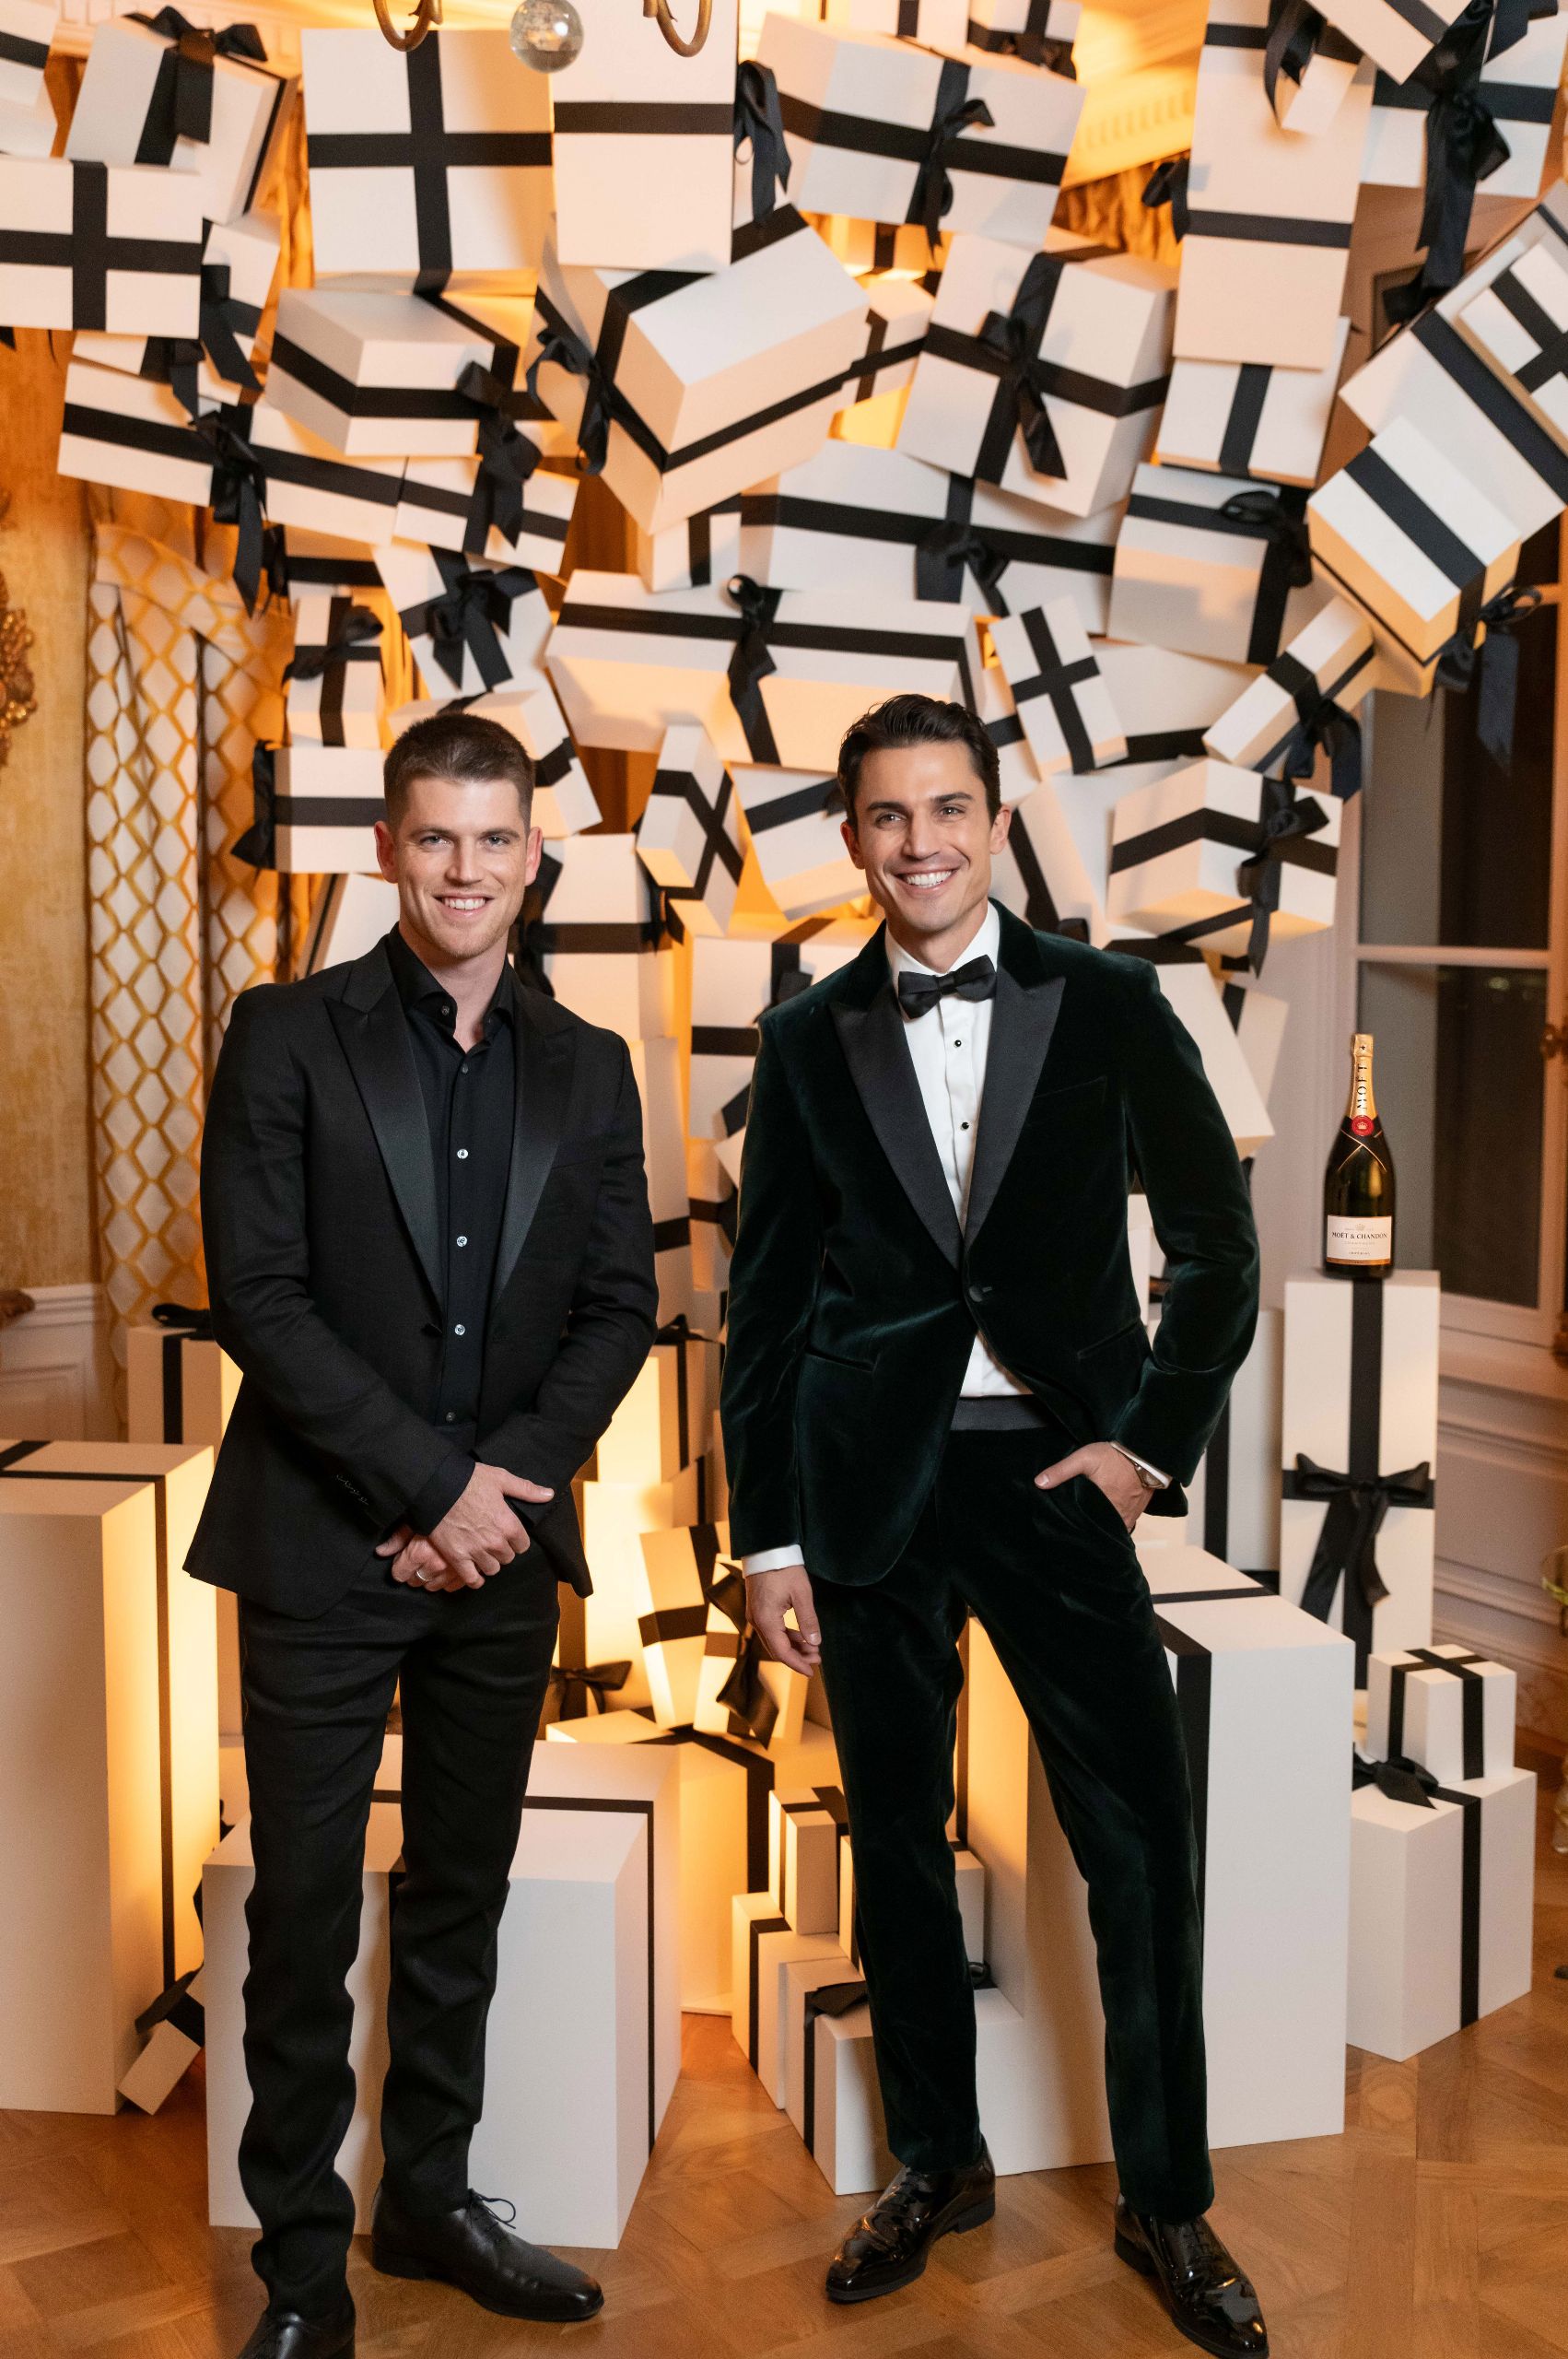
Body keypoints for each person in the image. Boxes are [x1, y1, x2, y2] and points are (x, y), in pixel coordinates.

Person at [720, 694, 1268, 2358]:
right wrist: (766, 1543)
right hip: (868, 1488)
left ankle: (1166, 2198)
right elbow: (761, 1315)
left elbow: (1217, 1244)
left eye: (948, 808)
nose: (921, 843)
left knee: (1140, 1843)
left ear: (997, 821)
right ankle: (936, 2163)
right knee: (895, 1839)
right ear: (852, 838)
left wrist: (1142, 1447)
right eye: (888, 816)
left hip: (1053, 1475)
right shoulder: (805, 1038)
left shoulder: (1110, 1002)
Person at [191, 712, 658, 2359]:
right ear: (388, 850)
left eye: (495, 839)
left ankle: (430, 2201)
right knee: (303, 1919)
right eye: (436, 837)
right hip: (323, 1553)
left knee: (462, 1894)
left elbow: (619, 1307)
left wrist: (496, 1494)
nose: (466, 869)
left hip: (501, 1557)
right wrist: (423, 1490)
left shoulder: (592, 1066)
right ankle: (302, 2278)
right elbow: (260, 1297)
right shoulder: (285, 1031)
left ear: (535, 857)